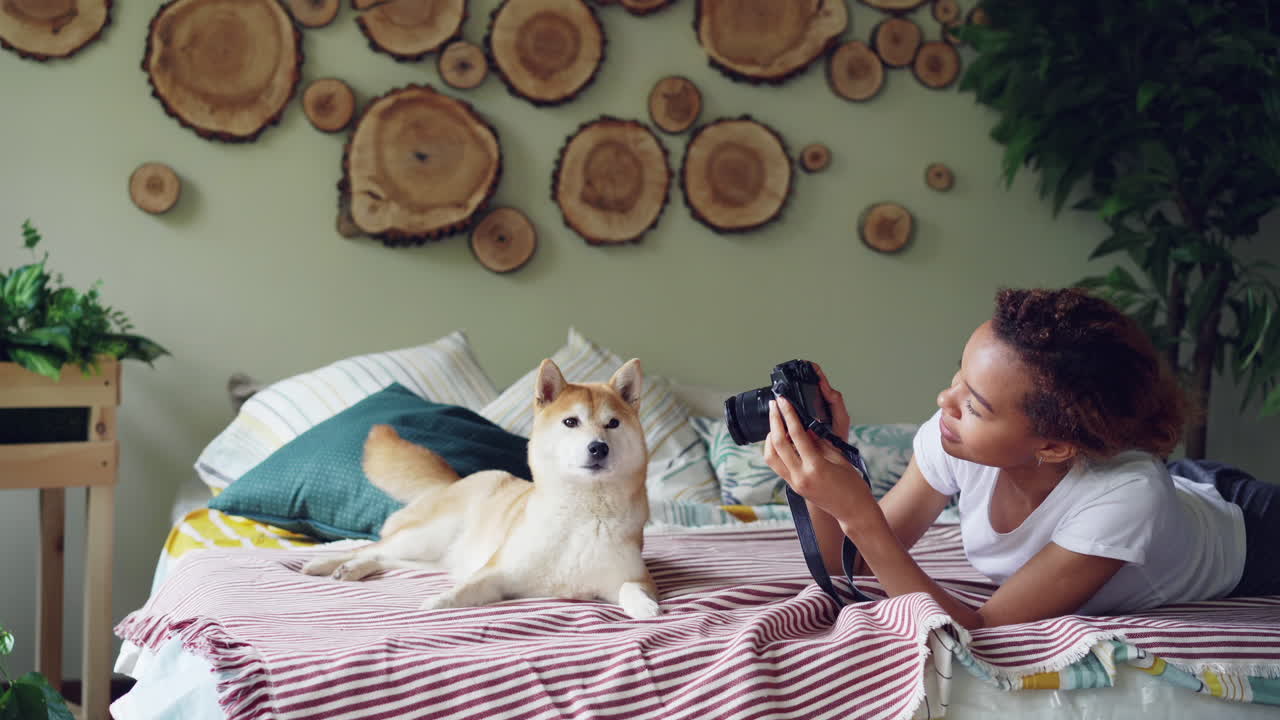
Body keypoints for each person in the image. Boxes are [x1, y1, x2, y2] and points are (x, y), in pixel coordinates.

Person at [763, 287, 1278, 629]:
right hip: (1182, 490)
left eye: (974, 404)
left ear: (1052, 444)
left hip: (1251, 528)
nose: (945, 402)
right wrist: (821, 468)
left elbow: (981, 629)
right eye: (958, 376)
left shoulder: (1128, 498)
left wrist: (858, 512)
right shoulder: (956, 440)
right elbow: (848, 563)